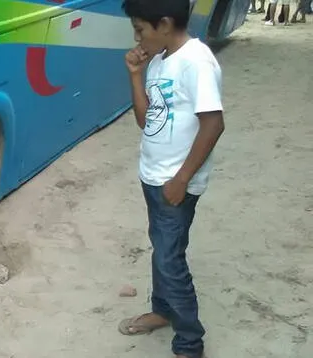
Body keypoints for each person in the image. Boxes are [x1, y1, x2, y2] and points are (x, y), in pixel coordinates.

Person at [120, 0, 226, 357]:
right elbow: (146, 119)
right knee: (163, 249)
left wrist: (181, 179)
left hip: (175, 182)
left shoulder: (196, 62)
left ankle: (190, 343)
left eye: (140, 29)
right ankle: (163, 310)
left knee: (170, 259)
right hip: (153, 176)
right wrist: (136, 74)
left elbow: (214, 123)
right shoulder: (160, 60)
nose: (136, 37)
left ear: (164, 23)